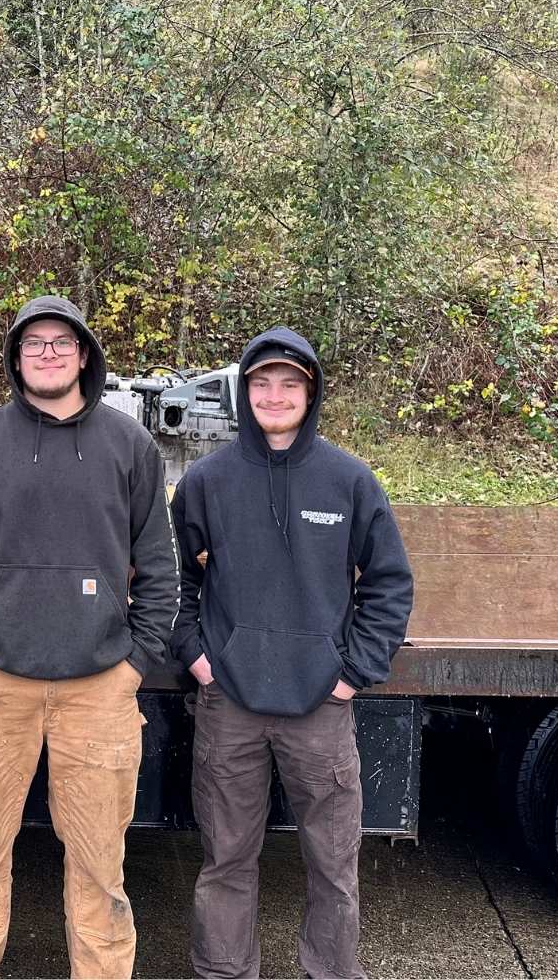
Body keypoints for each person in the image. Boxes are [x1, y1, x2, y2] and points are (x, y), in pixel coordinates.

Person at [0, 295, 180, 979]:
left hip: (98, 690)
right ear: (14, 357)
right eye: (33, 342)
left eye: (61, 342)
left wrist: (131, 669)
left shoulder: (129, 446)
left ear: (85, 355)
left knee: (100, 868)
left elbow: (159, 567)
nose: (47, 353)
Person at [170, 326, 414, 979]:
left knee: (334, 867)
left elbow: (389, 583)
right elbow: (172, 578)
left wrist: (352, 672)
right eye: (262, 383)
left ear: (311, 394)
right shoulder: (207, 480)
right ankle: (224, 972)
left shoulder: (348, 480)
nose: (275, 396)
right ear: (244, 391)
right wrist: (198, 657)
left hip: (320, 710)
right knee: (226, 862)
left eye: (290, 384)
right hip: (230, 708)